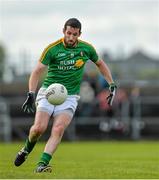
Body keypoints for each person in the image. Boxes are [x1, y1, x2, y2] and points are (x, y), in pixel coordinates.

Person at [14, 18, 117, 173]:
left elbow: (100, 64)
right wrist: (31, 93)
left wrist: (111, 83)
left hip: (69, 97)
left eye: (75, 34)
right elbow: (36, 72)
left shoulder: (86, 49)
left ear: (79, 34)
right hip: (48, 92)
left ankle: (42, 164)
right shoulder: (52, 49)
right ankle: (26, 150)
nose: (71, 37)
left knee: (58, 129)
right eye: (69, 33)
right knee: (38, 129)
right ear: (63, 31)